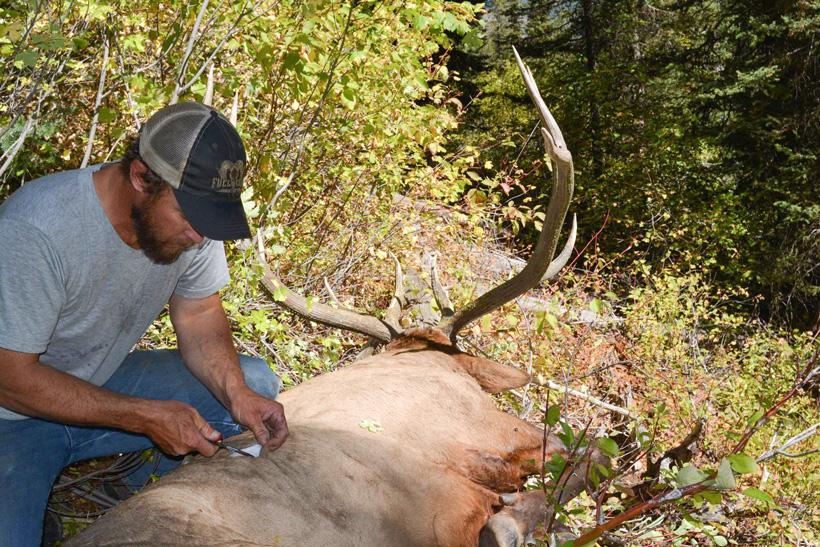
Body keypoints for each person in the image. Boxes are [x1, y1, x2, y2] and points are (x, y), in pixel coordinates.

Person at [0, 102, 289, 545]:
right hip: (12, 418)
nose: (199, 236)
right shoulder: (36, 229)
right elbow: (10, 379)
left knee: (254, 382)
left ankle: (135, 485)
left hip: (101, 379)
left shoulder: (193, 226)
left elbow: (198, 313)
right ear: (140, 177)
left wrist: (237, 395)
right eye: (191, 217)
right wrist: (142, 416)